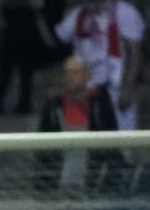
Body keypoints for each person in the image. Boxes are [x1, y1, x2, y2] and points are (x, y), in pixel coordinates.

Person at [55, 0, 145, 130]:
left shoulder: (125, 11)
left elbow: (135, 52)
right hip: (82, 90)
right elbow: (57, 39)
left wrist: (129, 86)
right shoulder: (79, 13)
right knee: (83, 141)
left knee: (121, 142)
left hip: (115, 87)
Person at [36, 56, 120, 192]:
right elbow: (42, 148)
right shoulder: (53, 107)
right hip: (59, 188)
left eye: (75, 72)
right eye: (67, 72)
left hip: (95, 187)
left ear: (87, 75)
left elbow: (112, 142)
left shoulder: (100, 104)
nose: (70, 77)